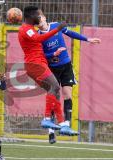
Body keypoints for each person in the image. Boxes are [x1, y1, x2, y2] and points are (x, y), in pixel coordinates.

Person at [37, 11, 101, 144]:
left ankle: (66, 124)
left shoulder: (56, 26)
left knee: (67, 95)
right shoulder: (39, 37)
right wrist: (53, 54)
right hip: (52, 69)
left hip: (65, 66)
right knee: (54, 98)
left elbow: (70, 33)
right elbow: (42, 56)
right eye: (36, 22)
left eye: (40, 19)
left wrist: (87, 39)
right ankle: (51, 131)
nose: (39, 23)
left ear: (44, 18)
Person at [18, 6, 78, 135]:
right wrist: (58, 29)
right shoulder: (25, 29)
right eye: (38, 16)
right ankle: (46, 118)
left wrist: (53, 54)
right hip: (35, 65)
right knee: (55, 86)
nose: (39, 18)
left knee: (54, 92)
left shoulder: (30, 29)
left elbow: (38, 45)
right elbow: (38, 39)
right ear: (31, 17)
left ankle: (62, 125)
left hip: (37, 65)